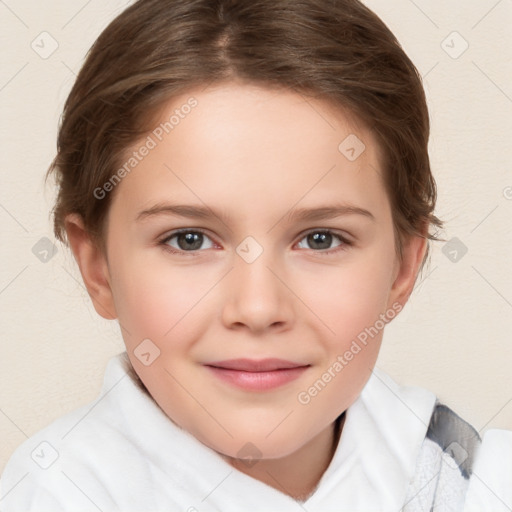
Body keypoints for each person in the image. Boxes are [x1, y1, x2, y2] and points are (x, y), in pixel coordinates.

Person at [1, 0, 510, 510]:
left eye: (320, 239)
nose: (258, 308)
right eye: (189, 240)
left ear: (402, 268)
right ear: (98, 268)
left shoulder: (477, 484)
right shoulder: (53, 493)